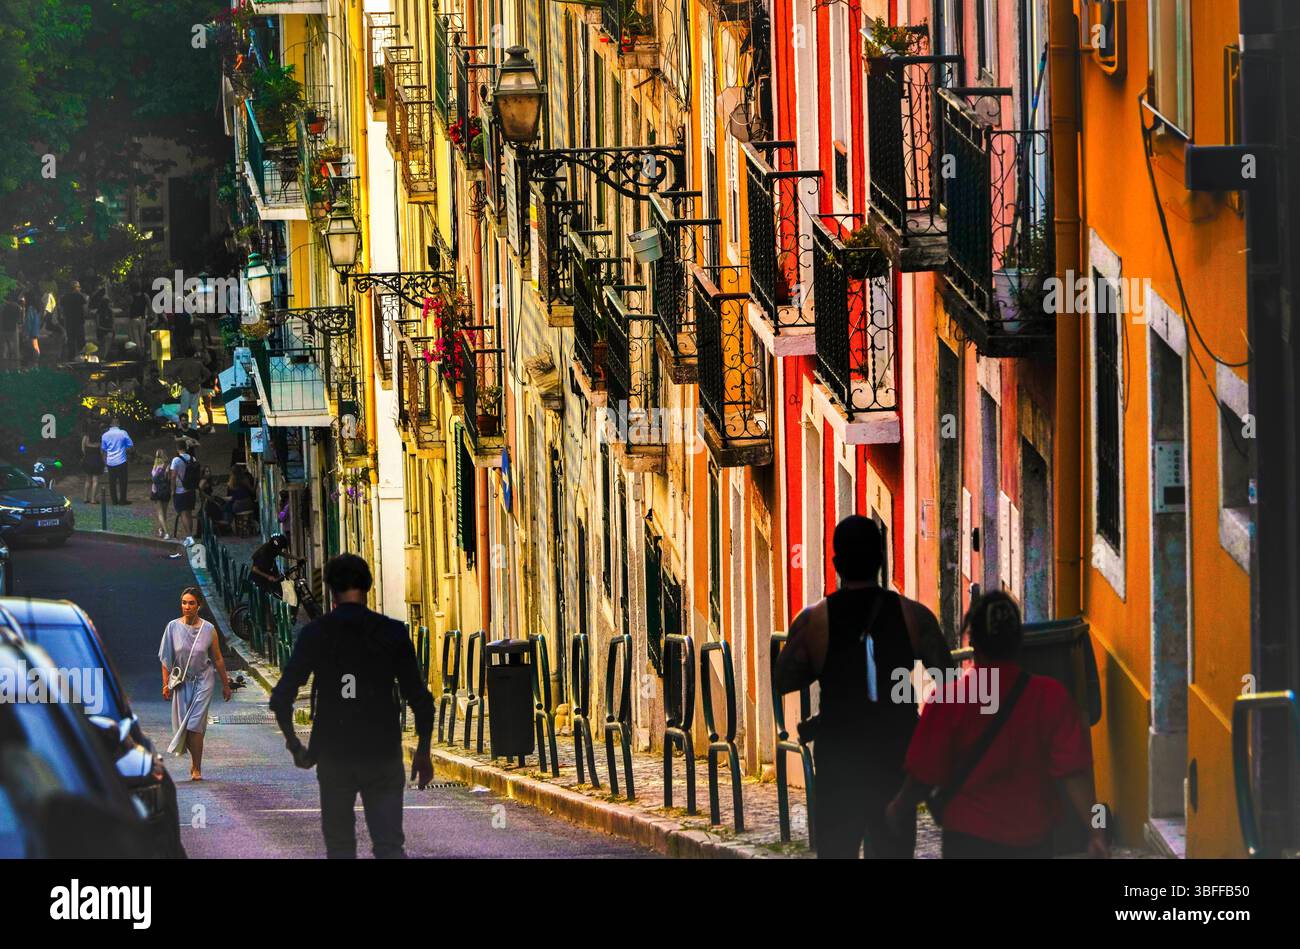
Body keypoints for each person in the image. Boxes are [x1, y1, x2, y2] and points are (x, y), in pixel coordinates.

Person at [774, 514, 954, 859]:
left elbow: (783, 679)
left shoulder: (816, 621)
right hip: (895, 761)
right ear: (882, 560)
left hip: (840, 761)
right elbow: (948, 683)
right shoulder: (913, 617)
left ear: (837, 563)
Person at [886, 592, 1110, 859]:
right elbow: (1076, 775)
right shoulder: (1051, 698)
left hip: (966, 842)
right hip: (1031, 842)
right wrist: (1097, 831)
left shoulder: (948, 701)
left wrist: (899, 807)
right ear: (1018, 642)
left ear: (974, 643)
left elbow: (923, 775)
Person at [269, 554, 434, 858]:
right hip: (382, 752)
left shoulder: (316, 634)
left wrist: (296, 746)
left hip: (334, 754)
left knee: (341, 848)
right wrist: (423, 751)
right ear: (369, 586)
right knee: (389, 846)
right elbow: (420, 699)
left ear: (330, 590)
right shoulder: (393, 633)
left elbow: (281, 698)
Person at [158, 587, 232, 781]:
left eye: (191, 603)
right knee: (184, 727)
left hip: (203, 680)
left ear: (199, 605)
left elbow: (217, 659)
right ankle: (194, 760)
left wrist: (225, 685)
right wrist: (166, 684)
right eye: (184, 603)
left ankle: (196, 767)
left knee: (194, 725)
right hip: (181, 683)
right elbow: (166, 658)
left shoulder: (209, 629)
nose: (187, 607)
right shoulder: (172, 627)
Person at [166, 344, 206, 434]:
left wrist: (179, 382)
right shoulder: (198, 363)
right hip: (196, 387)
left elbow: (172, 374)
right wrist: (200, 381)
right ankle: (194, 429)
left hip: (185, 387)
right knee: (194, 408)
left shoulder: (183, 364)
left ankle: (183, 428)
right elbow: (208, 374)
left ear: (185, 354)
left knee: (184, 409)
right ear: (194, 353)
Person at [169, 438, 200, 544]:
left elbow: (173, 476)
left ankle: (189, 536)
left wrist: (172, 490)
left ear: (177, 449)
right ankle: (190, 536)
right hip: (191, 489)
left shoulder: (176, 460)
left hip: (180, 490)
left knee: (183, 514)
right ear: (186, 448)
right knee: (189, 513)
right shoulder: (193, 458)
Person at [100, 415, 133, 505]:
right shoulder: (123, 433)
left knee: (112, 482)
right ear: (118, 424)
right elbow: (130, 446)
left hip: (110, 461)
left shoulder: (105, 435)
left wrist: (105, 462)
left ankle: (114, 500)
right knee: (123, 481)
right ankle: (122, 500)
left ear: (110, 424)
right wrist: (124, 449)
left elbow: (103, 450)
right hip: (121, 460)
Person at [250, 533, 290, 597]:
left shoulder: (272, 548)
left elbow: (284, 554)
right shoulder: (265, 552)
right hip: (259, 579)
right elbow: (254, 569)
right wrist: (268, 577)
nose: (280, 550)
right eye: (280, 548)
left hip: (266, 575)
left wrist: (298, 558)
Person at [59, 281, 88, 361]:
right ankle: (82, 358)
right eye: (78, 287)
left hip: (69, 322)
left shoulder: (64, 297)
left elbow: (61, 310)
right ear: (75, 288)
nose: (80, 288)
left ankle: (71, 358)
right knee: (81, 341)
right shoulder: (80, 297)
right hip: (79, 322)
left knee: (71, 340)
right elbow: (85, 309)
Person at [79, 418, 104, 503]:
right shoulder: (99, 438)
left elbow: (83, 449)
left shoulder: (86, 438)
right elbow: (101, 451)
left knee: (87, 480)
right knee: (95, 480)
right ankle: (93, 499)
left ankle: (85, 498)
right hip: (97, 460)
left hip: (87, 459)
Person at [149, 450, 172, 540]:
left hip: (157, 491)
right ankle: (161, 530)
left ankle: (166, 533)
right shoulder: (168, 466)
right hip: (166, 491)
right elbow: (169, 479)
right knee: (164, 513)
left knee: (160, 513)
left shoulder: (155, 467)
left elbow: (153, 479)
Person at [0, 290, 21, 369]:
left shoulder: (2, 306)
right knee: (13, 350)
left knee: (4, 350)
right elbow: (19, 320)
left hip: (3, 330)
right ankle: (14, 367)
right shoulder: (17, 307)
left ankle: (4, 368)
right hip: (13, 330)